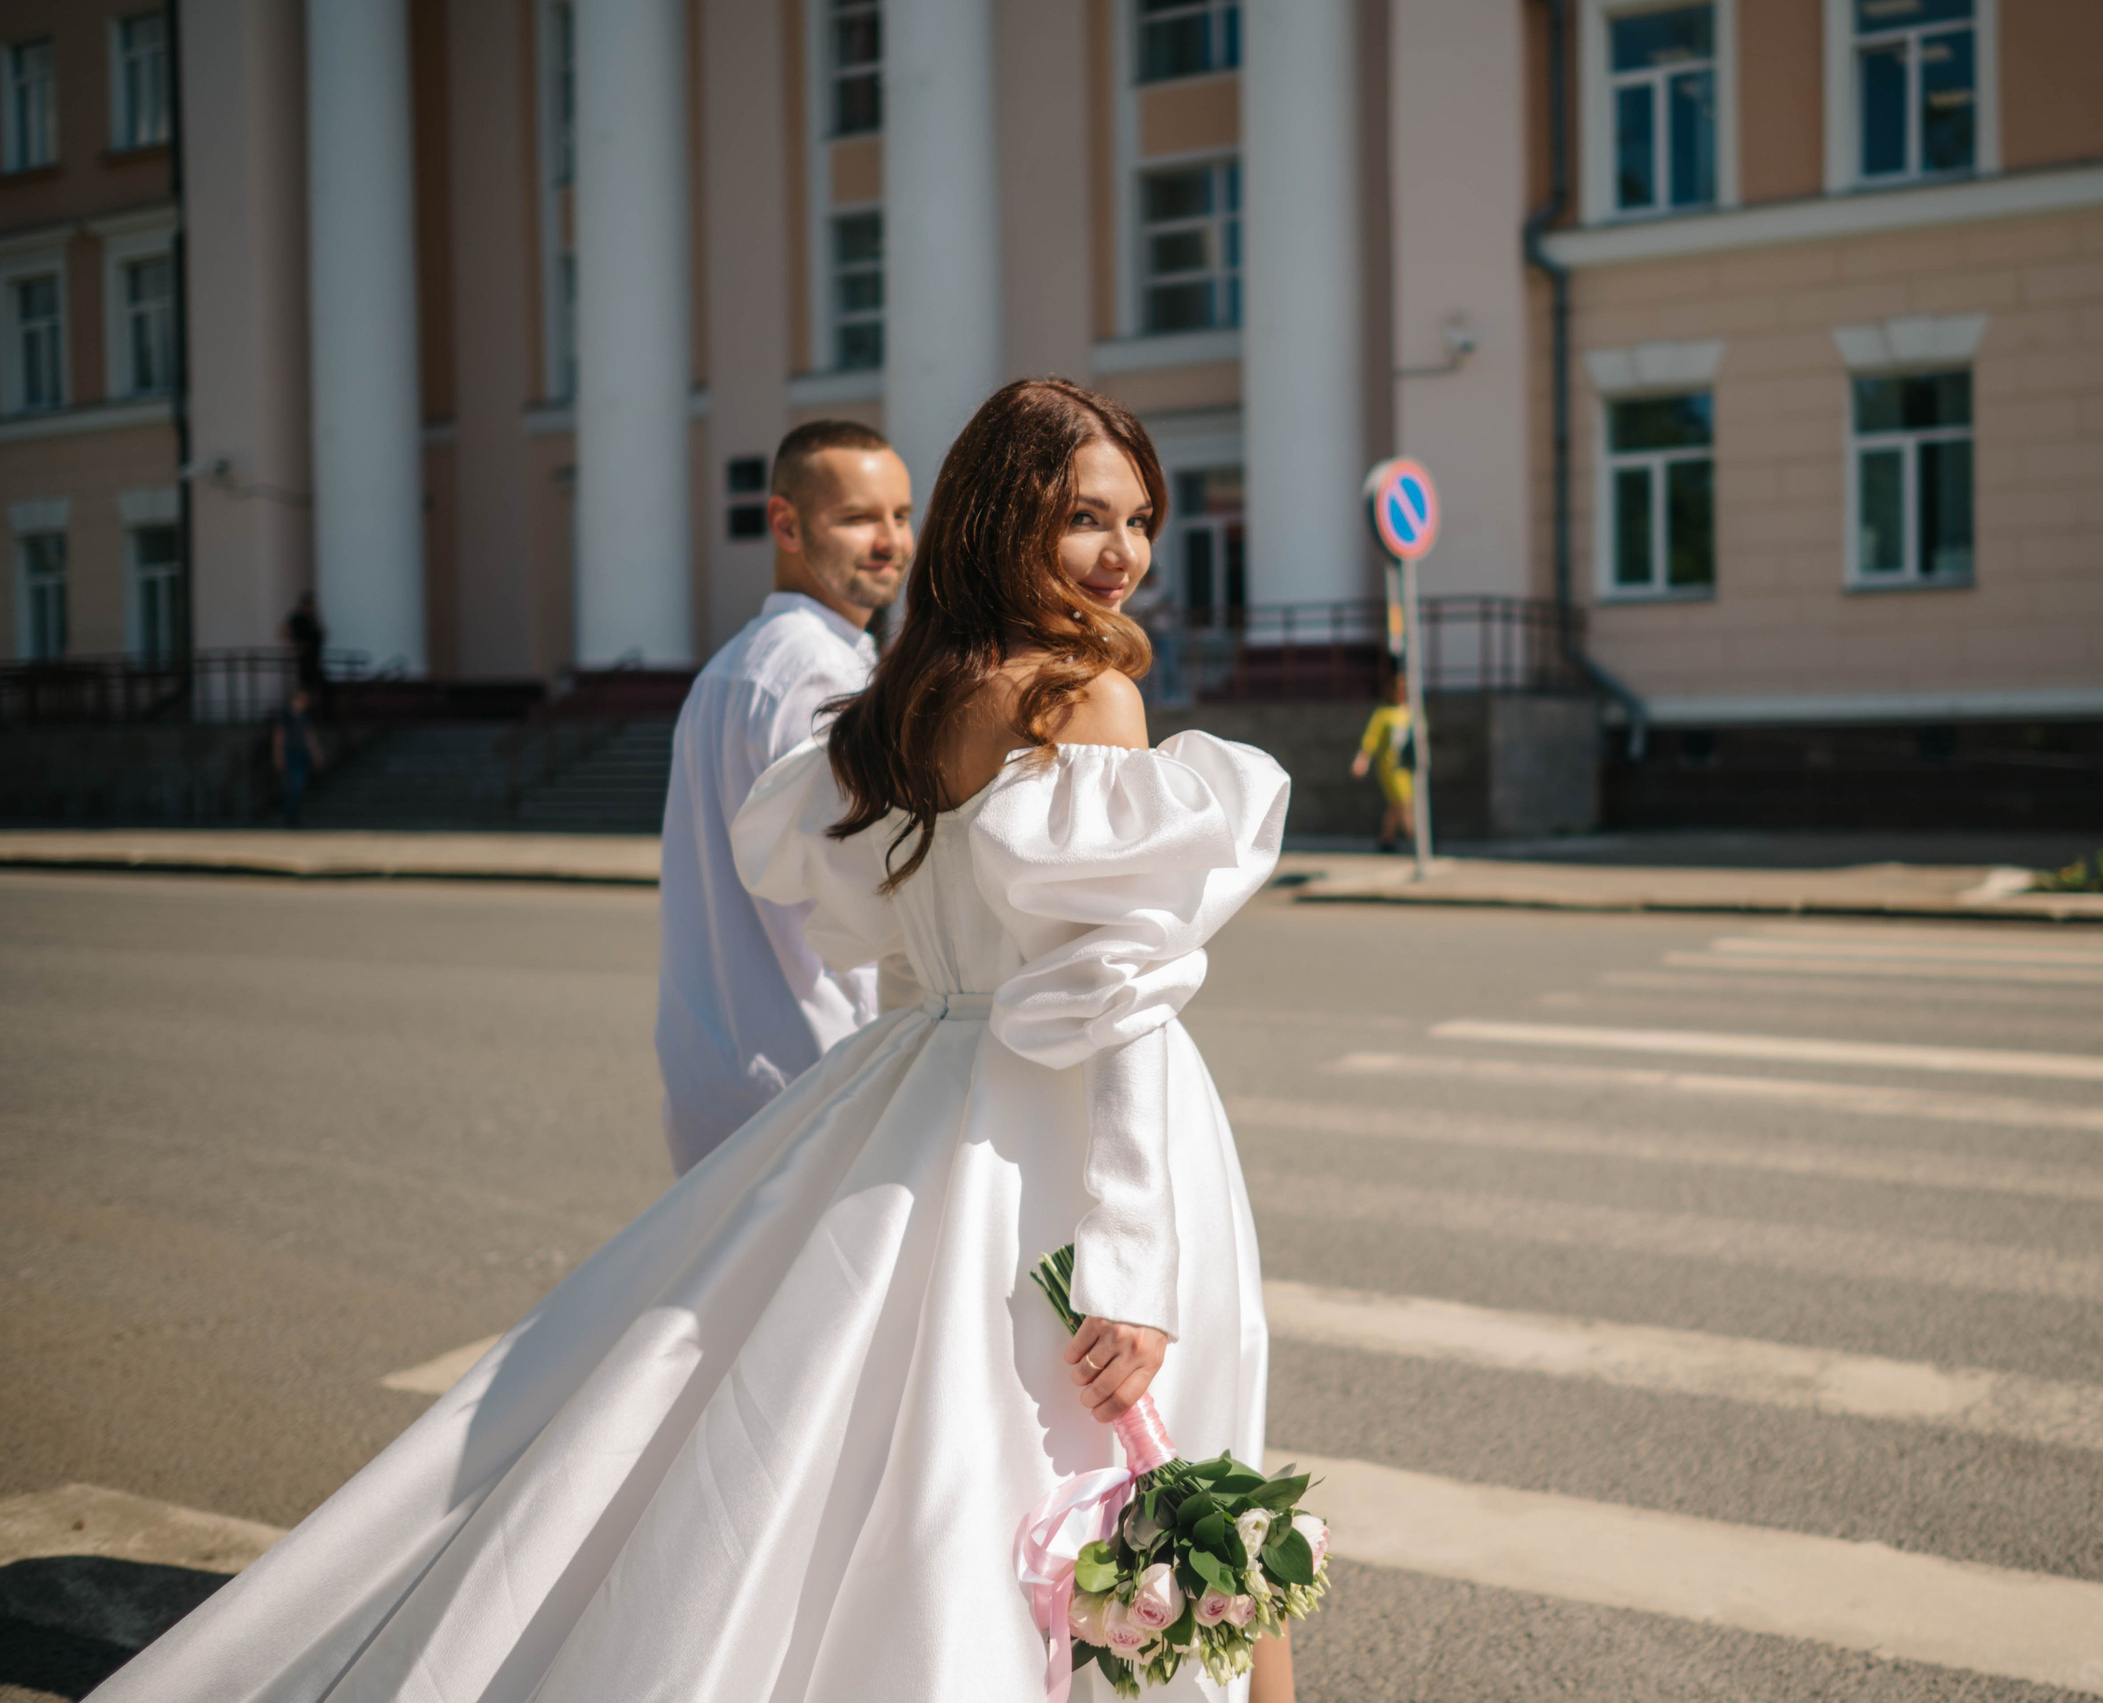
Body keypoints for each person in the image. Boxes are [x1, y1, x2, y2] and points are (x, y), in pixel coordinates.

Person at [93, 379, 1293, 1703]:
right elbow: (1109, 985)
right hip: (1056, 1131)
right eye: (1083, 517)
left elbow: (875, 924)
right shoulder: (1082, 691)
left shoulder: (911, 693)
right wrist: (1128, 1256)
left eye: (1140, 519)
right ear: (1006, 522)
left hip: (917, 1090)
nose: (1122, 553)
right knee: (1109, 1464)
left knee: (901, 1461)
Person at [655, 419, 914, 1175]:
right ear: (785, 523)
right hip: (815, 1073)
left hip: (719, 1071)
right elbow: (855, 893)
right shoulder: (818, 676)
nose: (890, 540)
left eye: (900, 514)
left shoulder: (729, 669)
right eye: (859, 516)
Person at [1350, 671, 1415, 852]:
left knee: (1396, 805)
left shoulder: (1410, 711)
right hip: (1390, 766)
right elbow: (1371, 739)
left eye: (1404, 688)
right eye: (1398, 688)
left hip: (1407, 766)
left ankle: (1386, 840)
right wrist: (1362, 760)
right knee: (1404, 802)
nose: (1401, 691)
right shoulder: (1383, 713)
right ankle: (1415, 839)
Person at [271, 687, 324, 826]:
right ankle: (288, 815)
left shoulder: (304, 718)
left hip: (302, 753)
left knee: (300, 785)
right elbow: (279, 735)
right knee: (294, 785)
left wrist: (316, 754)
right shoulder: (286, 716)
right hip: (290, 752)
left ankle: (293, 814)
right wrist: (278, 754)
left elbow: (309, 737)